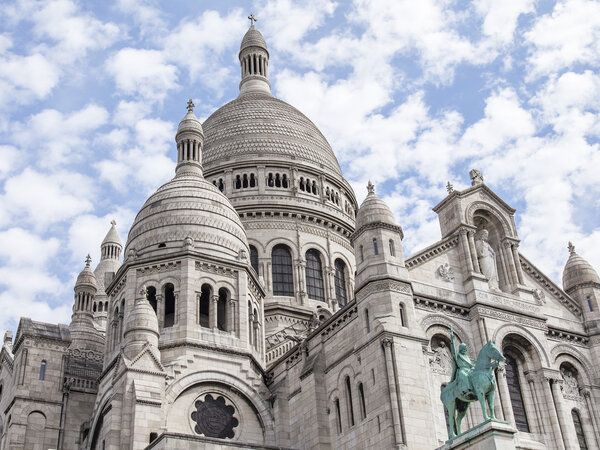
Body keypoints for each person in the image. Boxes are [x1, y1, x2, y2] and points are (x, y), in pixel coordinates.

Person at [450, 326, 474, 393]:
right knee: (465, 376)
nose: (465, 350)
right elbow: (453, 349)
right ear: (461, 349)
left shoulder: (466, 356)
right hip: (462, 370)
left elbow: (470, 365)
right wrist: (452, 340)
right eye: (464, 349)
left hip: (469, 370)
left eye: (465, 349)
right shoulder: (457, 355)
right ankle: (468, 390)